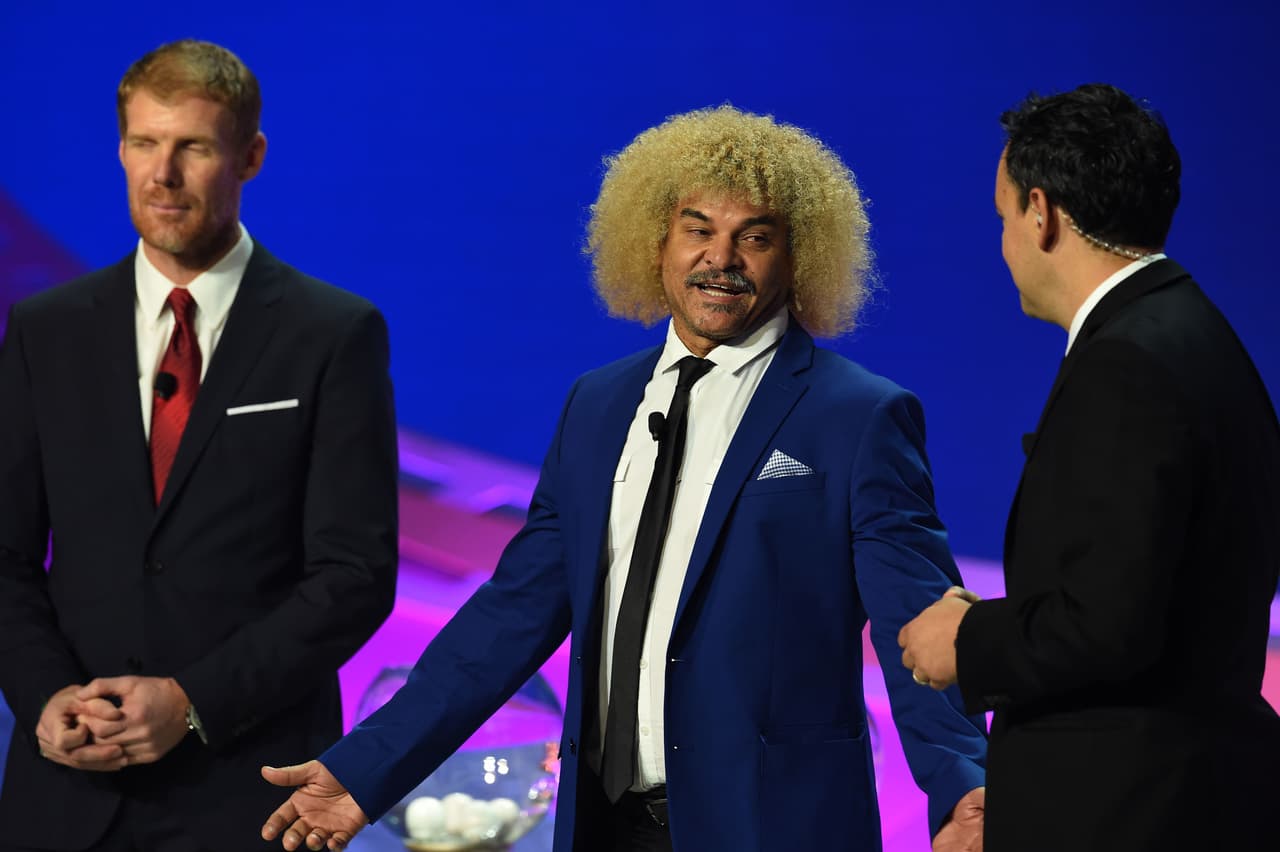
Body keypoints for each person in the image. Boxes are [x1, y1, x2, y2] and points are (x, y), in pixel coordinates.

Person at [262, 106, 986, 852]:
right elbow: (511, 615)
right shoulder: (598, 404)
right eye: (698, 229)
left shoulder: (858, 415)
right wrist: (364, 770)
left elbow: (919, 622)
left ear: (798, 256)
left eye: (755, 237)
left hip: (774, 829)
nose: (722, 258)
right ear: (655, 241)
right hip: (604, 828)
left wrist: (964, 788)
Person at [0, 39, 399, 852]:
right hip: (68, 794)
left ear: (249, 157)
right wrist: (45, 697)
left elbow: (353, 576)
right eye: (144, 143)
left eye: (194, 147)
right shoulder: (47, 331)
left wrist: (189, 702)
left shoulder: (332, 334)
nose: (163, 174)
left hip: (249, 798)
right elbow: (4, 556)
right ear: (120, 150)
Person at [898, 83, 1280, 851]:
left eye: (1003, 217)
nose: (1004, 243)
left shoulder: (1127, 364)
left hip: (1133, 814)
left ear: (1041, 213)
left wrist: (967, 640)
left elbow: (1109, 625)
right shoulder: (1192, 333)